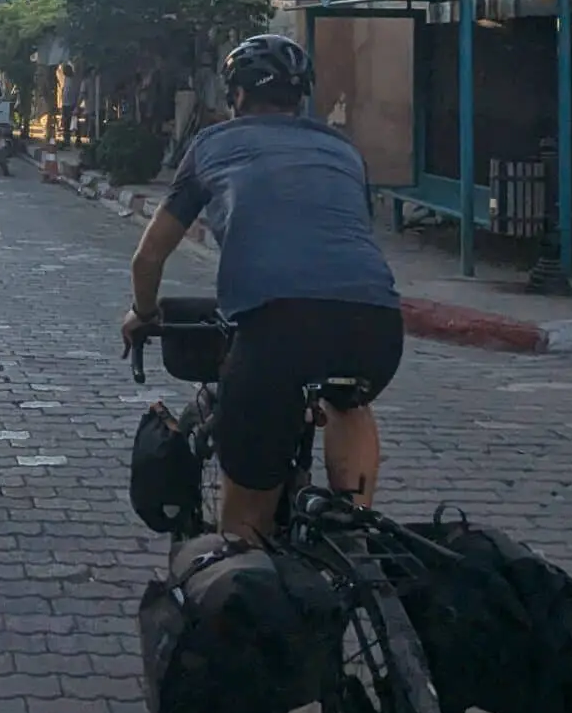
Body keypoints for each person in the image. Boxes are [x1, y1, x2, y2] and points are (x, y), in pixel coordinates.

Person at [120, 33, 401, 539]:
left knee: (243, 528)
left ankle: (245, 571)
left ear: (237, 96)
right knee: (348, 398)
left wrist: (143, 312)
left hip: (276, 329)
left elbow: (150, 255)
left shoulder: (212, 145)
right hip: (376, 324)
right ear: (302, 97)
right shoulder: (343, 149)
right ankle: (353, 533)